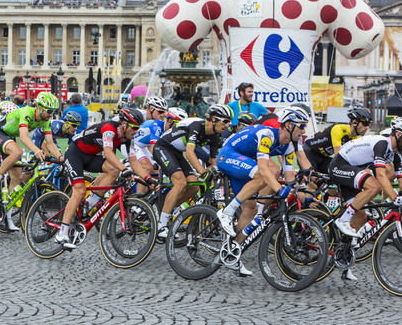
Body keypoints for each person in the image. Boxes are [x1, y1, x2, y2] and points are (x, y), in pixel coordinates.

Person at [215, 107, 310, 276]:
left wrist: (301, 193)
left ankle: (231, 254)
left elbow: (288, 176)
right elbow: (264, 170)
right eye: (301, 126)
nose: (304, 131)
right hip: (228, 155)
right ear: (288, 125)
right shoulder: (267, 135)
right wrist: (279, 189)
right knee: (261, 176)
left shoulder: (288, 147)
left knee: (250, 210)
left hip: (243, 162)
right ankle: (226, 213)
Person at [54, 108, 153, 248]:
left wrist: (147, 178)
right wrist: (124, 169)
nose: (136, 131)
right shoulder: (109, 129)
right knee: (80, 191)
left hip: (90, 157)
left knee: (113, 170)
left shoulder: (126, 138)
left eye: (138, 127)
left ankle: (90, 203)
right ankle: (62, 233)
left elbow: (134, 161)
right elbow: (107, 153)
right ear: (124, 124)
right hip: (75, 154)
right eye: (135, 127)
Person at [328, 117, 402, 238]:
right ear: (399, 134)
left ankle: (347, 249)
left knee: (360, 216)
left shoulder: (397, 156)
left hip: (352, 171)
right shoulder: (382, 144)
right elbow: (381, 175)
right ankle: (343, 220)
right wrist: (395, 198)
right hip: (339, 166)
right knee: (374, 186)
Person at [0, 92, 63, 230]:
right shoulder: (27, 112)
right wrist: (36, 150)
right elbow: (23, 137)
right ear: (39, 107)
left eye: (54, 112)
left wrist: (61, 157)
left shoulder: (45, 120)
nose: (51, 114)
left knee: (17, 177)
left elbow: (50, 143)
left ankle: (7, 217)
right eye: (49, 111)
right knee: (18, 151)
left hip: (10, 137)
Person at [153, 104, 231, 239]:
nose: (227, 125)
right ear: (213, 119)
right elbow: (190, 153)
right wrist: (203, 172)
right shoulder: (197, 126)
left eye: (229, 122)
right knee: (180, 182)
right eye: (225, 121)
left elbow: (213, 160)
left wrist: (221, 171)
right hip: (162, 148)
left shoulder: (214, 136)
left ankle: (167, 208)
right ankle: (161, 226)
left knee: (194, 186)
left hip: (176, 152)